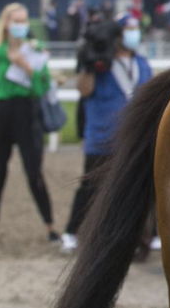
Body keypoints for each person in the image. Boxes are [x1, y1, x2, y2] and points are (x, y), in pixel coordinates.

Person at [60, 14, 150, 252]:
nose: (133, 33)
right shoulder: (101, 65)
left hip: (134, 138)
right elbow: (84, 90)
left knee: (135, 189)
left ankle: (136, 236)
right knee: (90, 186)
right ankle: (72, 231)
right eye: (128, 29)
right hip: (101, 137)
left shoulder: (141, 63)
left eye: (135, 28)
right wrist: (88, 64)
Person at [0, 3, 58, 244]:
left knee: (34, 171)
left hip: (27, 110)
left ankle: (50, 224)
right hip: (3, 113)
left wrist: (26, 66)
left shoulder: (36, 51)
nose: (20, 26)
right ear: (6, 23)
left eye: (24, 21)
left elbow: (42, 86)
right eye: (16, 21)